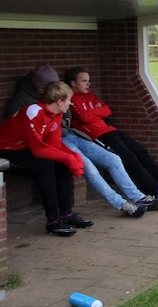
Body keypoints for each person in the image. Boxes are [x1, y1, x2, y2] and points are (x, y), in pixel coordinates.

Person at [4, 66, 158, 218]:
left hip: (69, 136)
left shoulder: (59, 104)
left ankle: (138, 197)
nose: (68, 102)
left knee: (113, 158)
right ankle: (122, 204)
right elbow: (35, 140)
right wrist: (70, 157)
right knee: (87, 166)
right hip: (43, 143)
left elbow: (77, 116)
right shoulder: (25, 103)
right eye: (50, 87)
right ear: (41, 88)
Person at [64, 66, 158, 198]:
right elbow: (83, 117)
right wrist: (95, 112)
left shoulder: (90, 95)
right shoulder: (71, 99)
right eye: (84, 81)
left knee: (140, 150)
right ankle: (154, 189)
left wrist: (91, 112)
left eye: (88, 80)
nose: (88, 84)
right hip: (98, 135)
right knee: (129, 158)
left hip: (111, 130)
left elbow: (107, 110)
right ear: (73, 83)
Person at [0, 81, 93, 236]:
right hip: (5, 150)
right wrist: (70, 159)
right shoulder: (34, 112)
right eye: (69, 100)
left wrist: (73, 157)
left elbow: (54, 145)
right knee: (45, 165)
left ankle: (66, 214)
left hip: (24, 149)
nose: (70, 103)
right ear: (59, 101)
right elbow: (38, 149)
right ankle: (53, 222)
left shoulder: (57, 113)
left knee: (61, 163)